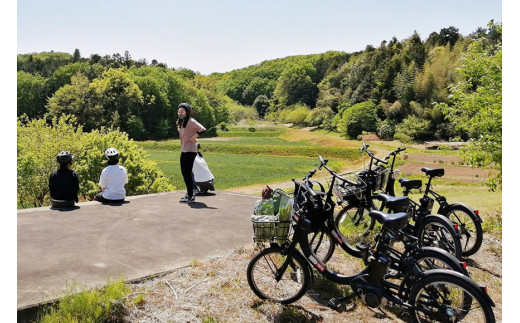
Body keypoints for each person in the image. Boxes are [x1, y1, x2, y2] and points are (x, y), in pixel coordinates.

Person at [177, 102, 206, 203]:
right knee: (184, 172)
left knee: (187, 172)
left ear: (187, 112)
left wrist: (194, 137)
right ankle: (189, 193)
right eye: (179, 111)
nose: (180, 113)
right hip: (184, 149)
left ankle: (190, 194)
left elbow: (202, 129)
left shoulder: (191, 121)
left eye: (182, 111)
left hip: (190, 149)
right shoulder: (180, 121)